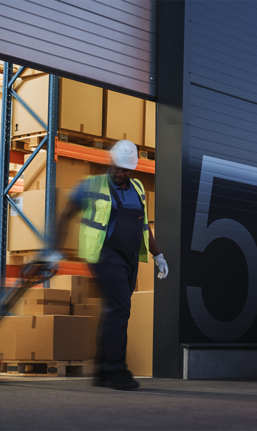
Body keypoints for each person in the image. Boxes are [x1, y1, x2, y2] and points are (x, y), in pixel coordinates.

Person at [53, 140, 168, 390]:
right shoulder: (91, 185)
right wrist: (55, 251)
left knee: (115, 312)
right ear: (111, 162)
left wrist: (158, 255)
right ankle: (116, 369)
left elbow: (143, 224)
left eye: (126, 169)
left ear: (133, 170)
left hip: (129, 259)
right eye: (118, 167)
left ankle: (103, 370)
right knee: (119, 309)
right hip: (105, 256)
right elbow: (65, 214)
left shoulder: (137, 188)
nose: (121, 172)